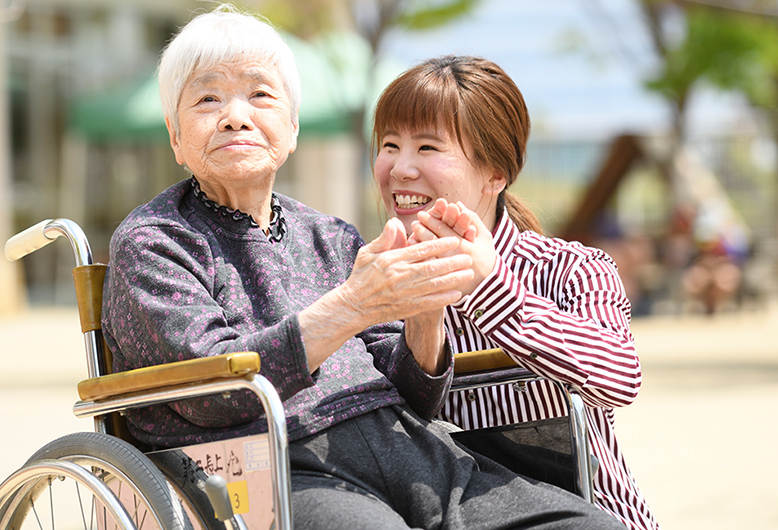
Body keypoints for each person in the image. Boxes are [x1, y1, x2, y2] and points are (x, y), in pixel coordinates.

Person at [102, 6, 627, 530]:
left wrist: (425, 311)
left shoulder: (331, 236)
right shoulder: (155, 242)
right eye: (207, 98)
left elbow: (416, 395)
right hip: (274, 462)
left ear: (292, 127)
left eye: (260, 95)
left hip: (411, 447)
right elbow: (214, 395)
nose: (235, 115)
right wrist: (354, 304)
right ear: (175, 135)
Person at [371, 55, 659, 530]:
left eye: (426, 147)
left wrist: (487, 287)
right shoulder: (368, 286)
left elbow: (620, 376)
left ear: (495, 173)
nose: (400, 168)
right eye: (389, 145)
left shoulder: (571, 269)